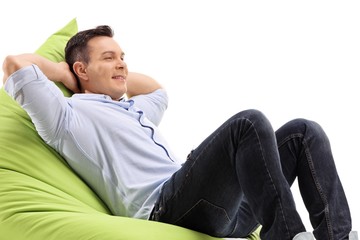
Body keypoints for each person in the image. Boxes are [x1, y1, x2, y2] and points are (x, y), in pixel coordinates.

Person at [2, 25, 357, 240]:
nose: (122, 63)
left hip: (220, 208)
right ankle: (285, 236)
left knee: (302, 132)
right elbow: (15, 64)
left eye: (122, 55)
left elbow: (157, 89)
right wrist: (66, 76)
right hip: (167, 206)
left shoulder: (132, 108)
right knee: (247, 124)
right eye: (109, 57)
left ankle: (335, 236)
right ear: (81, 68)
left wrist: (109, 74)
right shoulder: (68, 116)